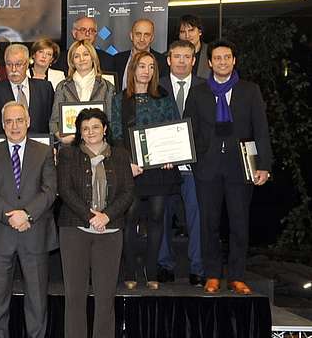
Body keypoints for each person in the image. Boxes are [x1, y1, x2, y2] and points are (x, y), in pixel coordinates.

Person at [184, 40, 272, 295]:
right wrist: (194, 157)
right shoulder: (199, 92)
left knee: (239, 222)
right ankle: (212, 274)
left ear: (234, 61)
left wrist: (264, 165)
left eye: (227, 57)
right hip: (207, 168)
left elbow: (262, 130)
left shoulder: (250, 90)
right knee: (208, 223)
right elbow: (189, 127)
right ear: (210, 63)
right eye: (217, 58)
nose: (222, 62)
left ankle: (236, 276)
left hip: (241, 166)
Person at [0, 102, 57, 338]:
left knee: (36, 297)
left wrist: (26, 214)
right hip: (1, 233)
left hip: (33, 232)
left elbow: (49, 191)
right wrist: (10, 215)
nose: (14, 126)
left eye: (19, 120)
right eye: (9, 121)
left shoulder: (45, 152)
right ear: (3, 124)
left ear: (28, 121)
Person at [57, 108, 134, 338]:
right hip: (74, 230)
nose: (90, 132)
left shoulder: (121, 155)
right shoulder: (68, 155)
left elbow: (127, 192)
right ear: (79, 131)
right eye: (85, 128)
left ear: (105, 129)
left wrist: (106, 216)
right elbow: (64, 189)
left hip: (110, 232)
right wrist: (90, 216)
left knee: (105, 294)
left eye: (95, 127)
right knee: (75, 293)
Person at [110, 50, 180, 289]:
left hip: (160, 169)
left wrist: (172, 155)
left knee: (157, 217)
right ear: (133, 69)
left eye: (151, 67)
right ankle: (130, 271)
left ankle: (151, 273)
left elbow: (174, 129)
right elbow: (116, 137)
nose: (147, 71)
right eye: (142, 66)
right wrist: (126, 163)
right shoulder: (120, 99)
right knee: (130, 217)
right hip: (132, 169)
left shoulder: (163, 96)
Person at [157, 40, 206, 285]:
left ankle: (198, 268)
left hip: (193, 166)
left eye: (187, 57)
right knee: (162, 215)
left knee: (197, 216)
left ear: (194, 60)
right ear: (168, 60)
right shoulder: (157, 87)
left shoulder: (205, 88)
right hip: (163, 165)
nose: (182, 61)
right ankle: (165, 265)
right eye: (177, 57)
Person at [49, 41, 115, 145]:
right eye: (76, 56)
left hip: (99, 147)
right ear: (72, 61)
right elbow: (53, 122)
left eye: (86, 54)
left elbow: (111, 120)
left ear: (93, 57)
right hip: (70, 147)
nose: (82, 59)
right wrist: (61, 138)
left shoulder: (107, 87)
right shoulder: (62, 86)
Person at [0, 43, 54, 135]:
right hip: (5, 147)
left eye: (18, 64)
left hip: (39, 146)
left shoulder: (45, 89)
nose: (13, 69)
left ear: (27, 64)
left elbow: (52, 123)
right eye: (9, 64)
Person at [111, 19, 155, 91]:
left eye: (146, 35)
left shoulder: (161, 62)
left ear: (152, 38)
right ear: (131, 36)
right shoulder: (117, 59)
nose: (142, 39)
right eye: (138, 34)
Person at [178, 14, 211, 79]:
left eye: (191, 30)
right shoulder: (171, 55)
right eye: (182, 32)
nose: (187, 36)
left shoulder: (211, 52)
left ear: (200, 32)